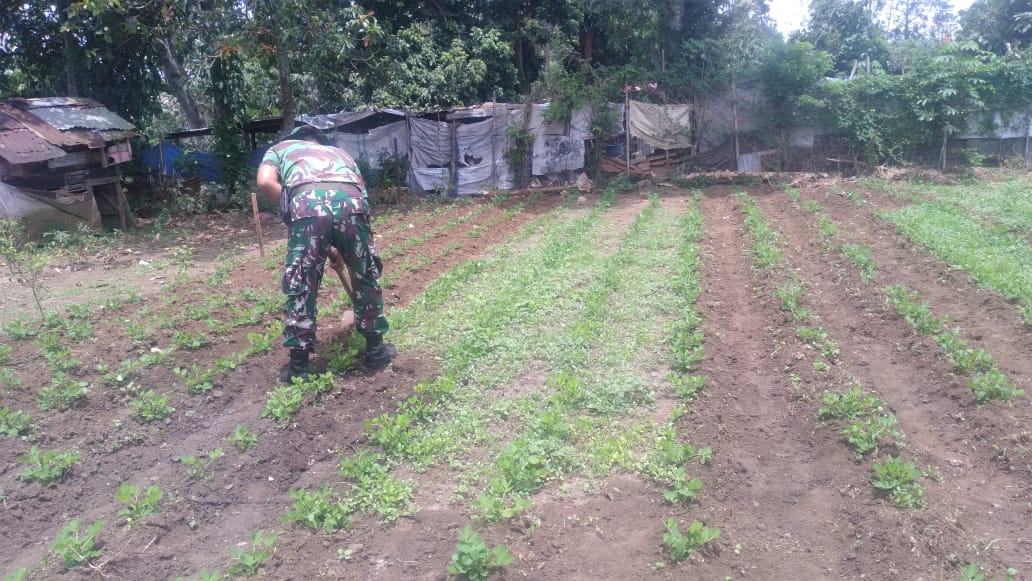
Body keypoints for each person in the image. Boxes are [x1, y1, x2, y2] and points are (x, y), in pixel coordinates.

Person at [256, 125, 396, 382]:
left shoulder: (279, 149)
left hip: (306, 204)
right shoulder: (340, 153)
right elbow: (359, 196)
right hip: (351, 203)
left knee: (302, 281)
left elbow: (265, 182)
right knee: (365, 273)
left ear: (295, 140)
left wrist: (297, 209)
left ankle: (299, 368)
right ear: (319, 142)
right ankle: (376, 350)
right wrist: (343, 244)